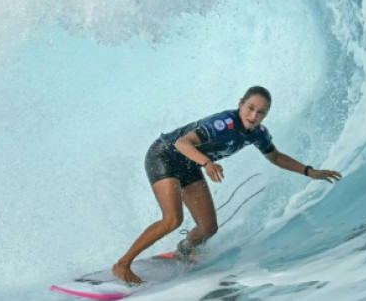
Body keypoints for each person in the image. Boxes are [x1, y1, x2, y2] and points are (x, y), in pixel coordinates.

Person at [112, 86, 342, 284]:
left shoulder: (258, 134)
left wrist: (310, 171)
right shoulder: (224, 123)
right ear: (240, 104)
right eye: (250, 107)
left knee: (208, 228)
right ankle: (122, 264)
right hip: (165, 154)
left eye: (261, 112)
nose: (253, 115)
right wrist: (207, 162)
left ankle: (182, 252)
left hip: (190, 164)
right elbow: (183, 143)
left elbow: (276, 157)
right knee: (173, 219)